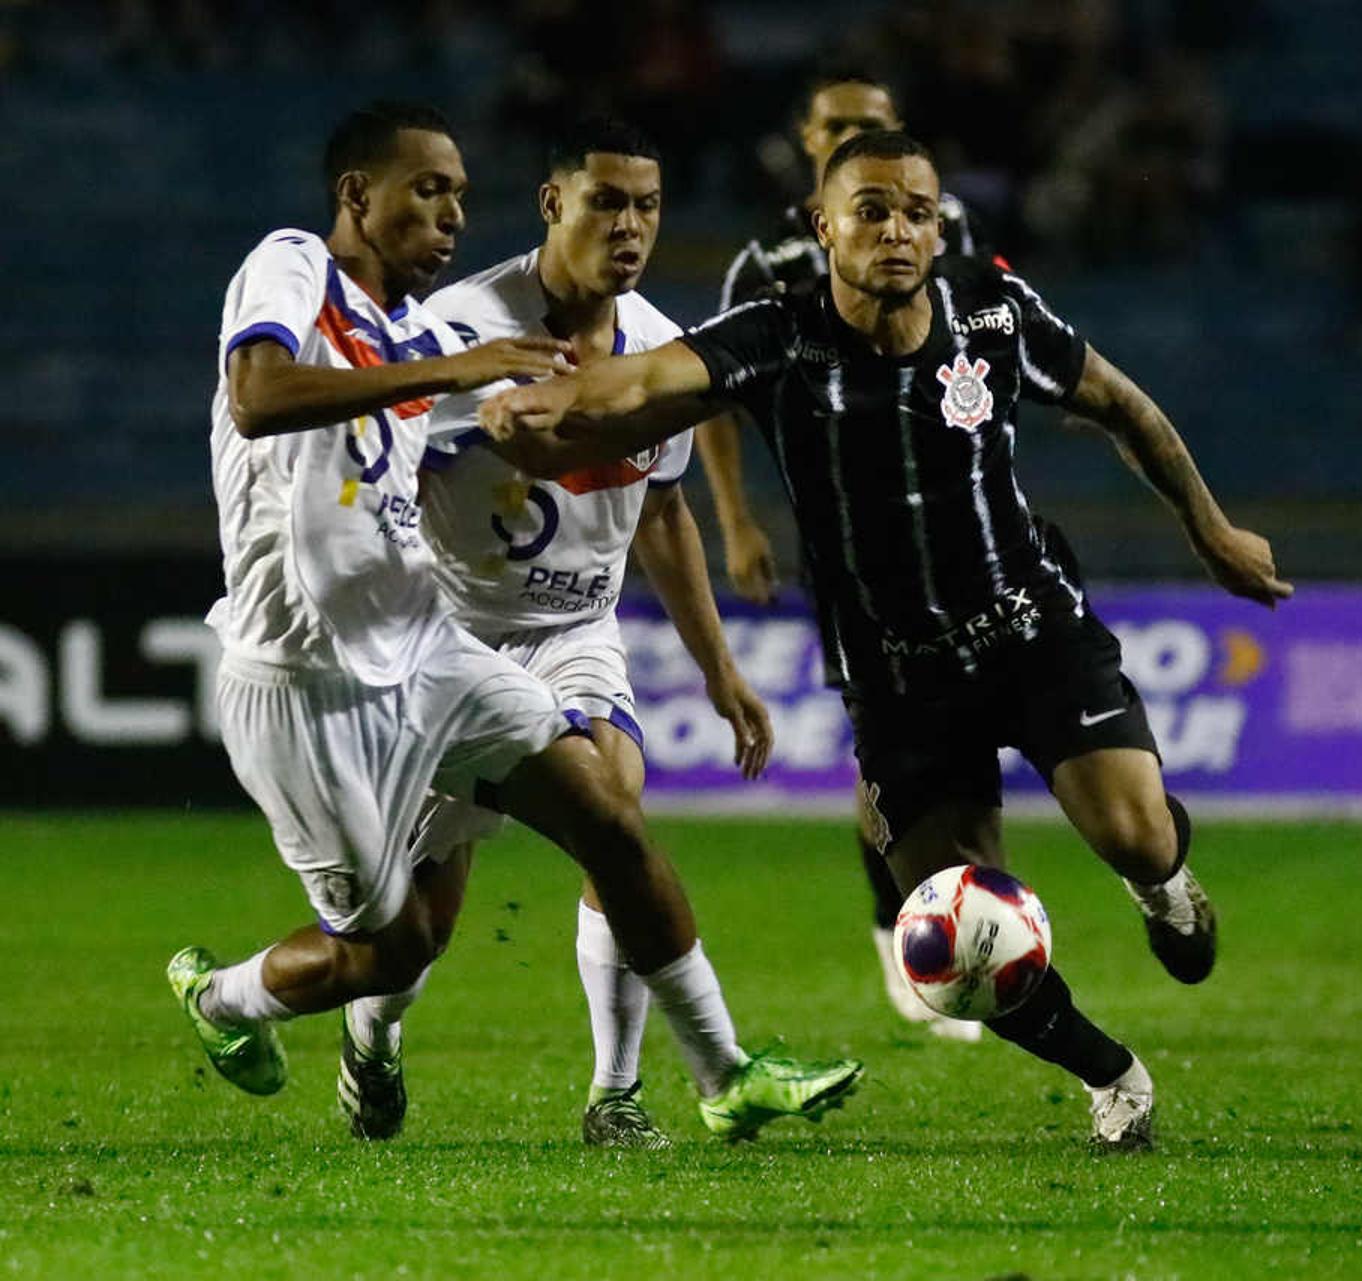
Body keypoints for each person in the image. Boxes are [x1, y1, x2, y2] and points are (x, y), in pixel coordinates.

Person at [480, 130, 1288, 1150]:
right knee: (946, 948)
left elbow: (1122, 406)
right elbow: (641, 384)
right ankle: (1113, 1076)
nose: (898, 231)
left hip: (1029, 630)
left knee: (1131, 831)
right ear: (824, 227)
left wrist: (1210, 530)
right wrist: (551, 399)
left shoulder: (994, 315)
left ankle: (1163, 881)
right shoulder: (776, 336)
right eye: (872, 211)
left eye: (917, 212)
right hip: (901, 684)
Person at [169, 101, 863, 1144]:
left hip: (440, 650)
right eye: (427, 189)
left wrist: (716, 659)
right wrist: (463, 377)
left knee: (609, 814)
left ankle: (714, 1074)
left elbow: (612, 488)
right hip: (307, 682)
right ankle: (228, 999)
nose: (451, 211)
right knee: (400, 947)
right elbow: (261, 397)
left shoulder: (441, 332)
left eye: (457, 192)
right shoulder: (314, 275)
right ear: (358, 196)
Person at [700, 72, 988, 1042]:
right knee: (889, 749)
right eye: (841, 128)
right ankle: (900, 927)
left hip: (952, 533)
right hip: (850, 549)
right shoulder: (770, 261)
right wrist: (737, 522)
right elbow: (715, 397)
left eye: (875, 126)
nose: (859, 136)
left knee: (964, 745)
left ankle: (952, 920)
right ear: (805, 138)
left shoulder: (939, 227)